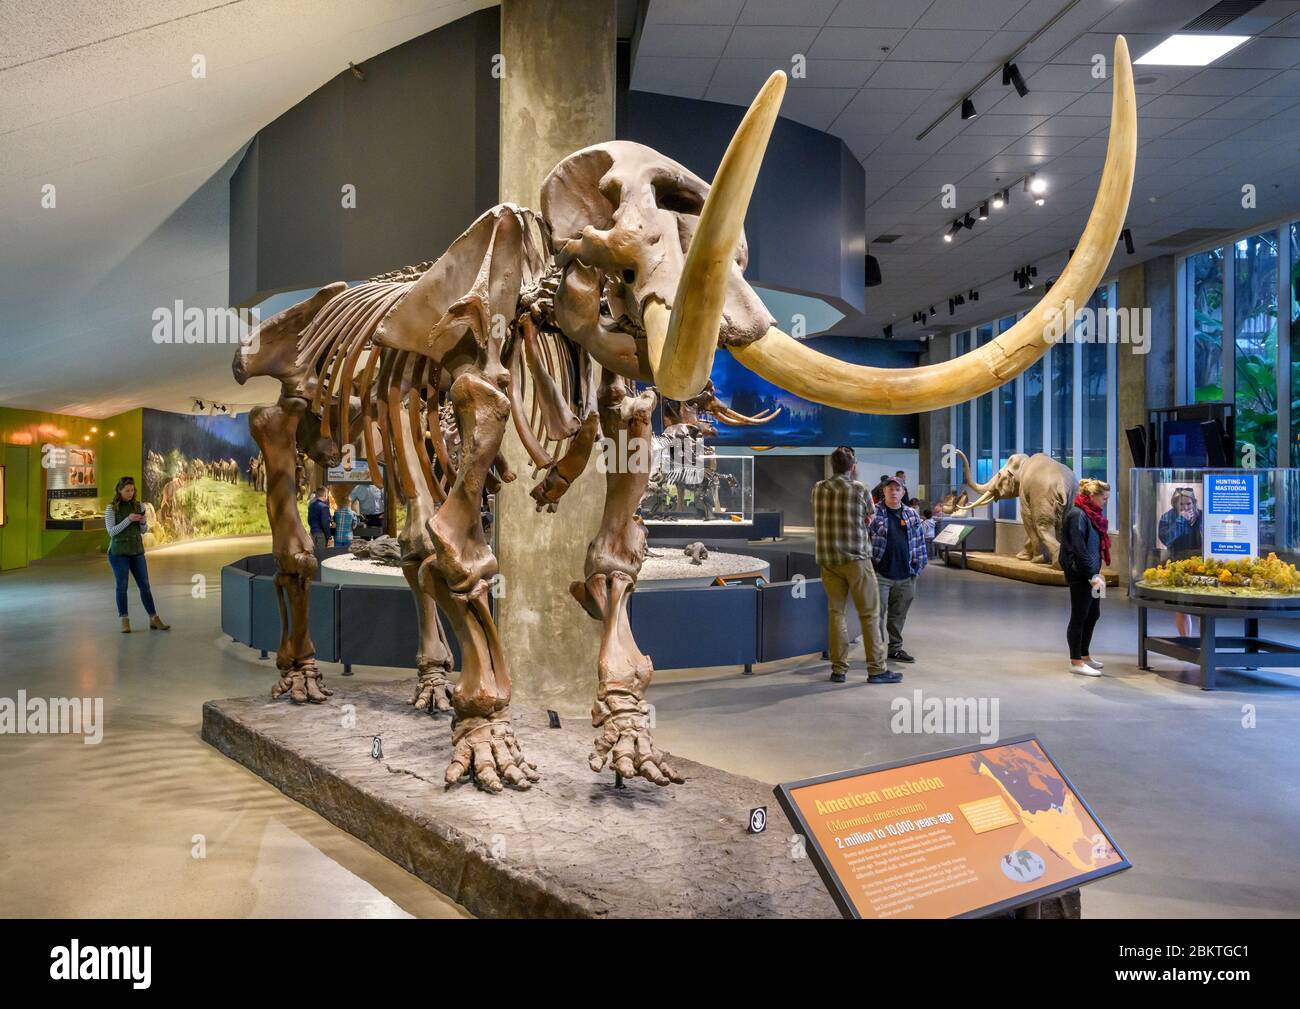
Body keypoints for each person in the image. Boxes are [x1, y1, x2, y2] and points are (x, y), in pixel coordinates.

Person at [812, 446, 897, 684]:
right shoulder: (859, 489)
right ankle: (876, 669)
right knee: (869, 614)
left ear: (832, 466)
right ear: (853, 467)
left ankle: (839, 669)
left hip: (828, 560)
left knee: (835, 614)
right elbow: (870, 518)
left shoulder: (818, 488)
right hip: (857, 559)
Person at [868, 476, 928, 664]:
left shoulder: (911, 514)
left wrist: (917, 568)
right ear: (883, 492)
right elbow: (865, 539)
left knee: (898, 615)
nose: (893, 492)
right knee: (876, 614)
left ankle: (895, 649)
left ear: (903, 492)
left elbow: (919, 543)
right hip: (880, 574)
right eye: (890, 489)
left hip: (906, 575)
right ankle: (876, 653)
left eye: (897, 489)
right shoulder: (874, 513)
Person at [1060, 477, 1111, 676]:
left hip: (1092, 574)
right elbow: (1078, 548)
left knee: (1093, 613)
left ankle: (1084, 654)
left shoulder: (1091, 515)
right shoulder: (1077, 515)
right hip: (1081, 574)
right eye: (1104, 498)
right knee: (1079, 615)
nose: (1105, 502)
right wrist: (1091, 574)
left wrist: (1095, 573)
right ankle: (1076, 661)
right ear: (1092, 496)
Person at [105, 476, 169, 633]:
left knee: (145, 585)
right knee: (122, 586)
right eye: (127, 490)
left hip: (137, 551)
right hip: (118, 552)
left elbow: (143, 530)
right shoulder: (111, 508)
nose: (130, 493)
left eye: (132, 490)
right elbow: (111, 532)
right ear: (119, 491)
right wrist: (128, 519)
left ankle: (154, 617)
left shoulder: (138, 505)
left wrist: (142, 521)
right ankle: (124, 620)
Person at [1159, 487, 1203, 638]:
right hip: (1178, 564)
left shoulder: (1202, 516)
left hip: (1200, 565)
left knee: (1203, 606)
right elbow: (1167, 539)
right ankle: (1186, 640)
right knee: (1182, 606)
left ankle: (1204, 642)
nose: (1185, 508)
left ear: (1194, 503)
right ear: (1175, 504)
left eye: (1188, 504)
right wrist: (1180, 522)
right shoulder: (1167, 517)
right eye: (1181, 504)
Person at [308, 486, 332, 552]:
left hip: (312, 532)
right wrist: (329, 536)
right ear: (325, 495)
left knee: (314, 554)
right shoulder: (324, 507)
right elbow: (325, 523)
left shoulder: (311, 506)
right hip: (321, 534)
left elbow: (309, 520)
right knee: (321, 555)